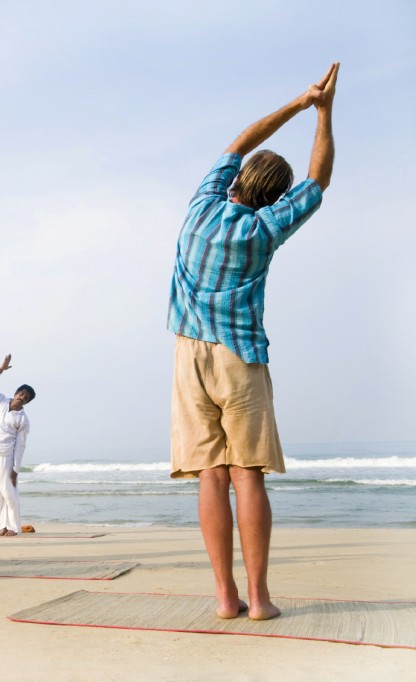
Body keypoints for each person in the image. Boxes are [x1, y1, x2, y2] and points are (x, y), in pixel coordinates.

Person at [167, 63, 339, 620]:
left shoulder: (201, 206)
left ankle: (224, 598)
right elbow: (319, 180)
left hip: (189, 353)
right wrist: (325, 112)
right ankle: (260, 598)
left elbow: (240, 141)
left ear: (238, 180)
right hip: (239, 356)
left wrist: (298, 102)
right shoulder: (264, 229)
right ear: (273, 198)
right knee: (248, 474)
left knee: (211, 475)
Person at [0, 354, 34, 536]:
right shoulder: (0, 401)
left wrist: (15, 469)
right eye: (21, 394)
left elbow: (21, 446)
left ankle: (14, 527)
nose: (22, 398)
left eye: (25, 398)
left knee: (8, 491)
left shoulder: (23, 419)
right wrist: (0, 370)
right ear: (16, 393)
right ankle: (1, 526)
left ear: (27, 402)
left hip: (6, 456)